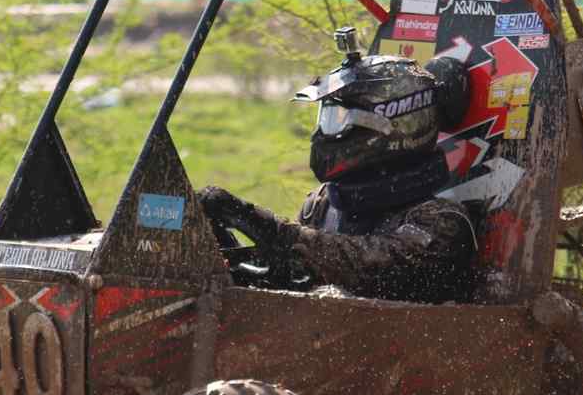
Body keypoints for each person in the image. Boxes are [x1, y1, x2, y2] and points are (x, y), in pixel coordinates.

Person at [197, 28, 479, 304]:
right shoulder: (324, 204)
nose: (324, 134)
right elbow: (300, 282)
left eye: (340, 121)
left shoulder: (443, 223)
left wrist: (268, 228)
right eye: (326, 118)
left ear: (394, 125)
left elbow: (365, 266)